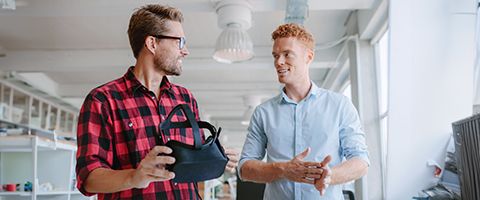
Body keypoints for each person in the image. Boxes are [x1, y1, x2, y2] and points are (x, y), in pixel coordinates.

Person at [75, 4, 238, 199]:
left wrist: (215, 156)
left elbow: (192, 164)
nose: (185, 51)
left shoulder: (185, 99)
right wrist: (134, 177)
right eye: (180, 42)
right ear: (152, 43)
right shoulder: (103, 100)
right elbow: (89, 179)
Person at [238, 23, 370, 200]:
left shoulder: (340, 105)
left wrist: (330, 176)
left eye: (287, 54)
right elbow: (245, 168)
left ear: (309, 56)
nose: (279, 62)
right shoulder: (263, 113)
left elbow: (361, 161)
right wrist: (283, 170)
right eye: (275, 56)